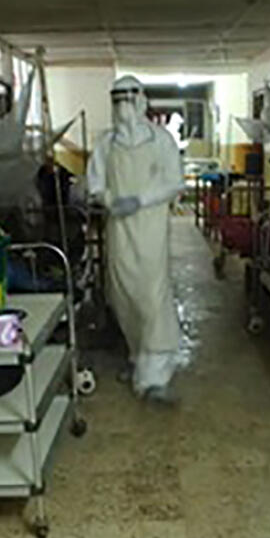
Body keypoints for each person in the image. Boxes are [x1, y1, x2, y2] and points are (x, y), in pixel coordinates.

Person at [88, 75, 184, 403]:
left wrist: (140, 200)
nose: (123, 106)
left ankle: (155, 377)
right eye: (117, 100)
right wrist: (109, 200)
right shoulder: (106, 143)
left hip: (151, 229)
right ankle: (138, 356)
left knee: (152, 296)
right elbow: (95, 183)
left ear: (141, 100)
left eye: (129, 98)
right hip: (119, 231)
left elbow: (175, 182)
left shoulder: (161, 140)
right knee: (123, 296)